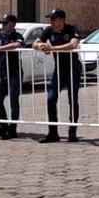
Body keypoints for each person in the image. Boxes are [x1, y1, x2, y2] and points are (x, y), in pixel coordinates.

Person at [33, 8, 83, 143]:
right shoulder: (49, 30)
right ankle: (53, 133)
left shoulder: (72, 29)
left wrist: (52, 48)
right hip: (59, 68)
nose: (51, 22)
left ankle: (72, 132)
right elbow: (35, 43)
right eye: (51, 20)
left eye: (53, 19)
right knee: (51, 98)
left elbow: (73, 44)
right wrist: (41, 45)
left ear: (61, 20)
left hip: (73, 67)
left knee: (72, 98)